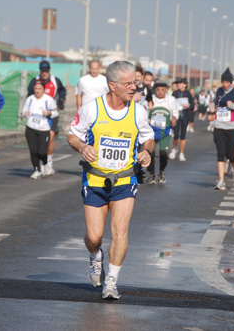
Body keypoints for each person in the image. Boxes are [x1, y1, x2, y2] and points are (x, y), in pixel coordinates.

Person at [67, 60, 154, 300]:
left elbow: (148, 138)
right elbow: (72, 135)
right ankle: (96, 257)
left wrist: (146, 151)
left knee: (120, 230)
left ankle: (112, 282)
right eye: (128, 84)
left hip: (125, 179)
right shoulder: (91, 109)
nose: (133, 88)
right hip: (95, 180)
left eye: (135, 83)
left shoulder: (138, 111)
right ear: (112, 85)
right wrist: (82, 146)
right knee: (94, 236)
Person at [210, 68, 234, 190]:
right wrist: (212, 107)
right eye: (223, 82)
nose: (225, 85)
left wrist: (232, 106)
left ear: (231, 83)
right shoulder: (218, 91)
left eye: (227, 82)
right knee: (220, 153)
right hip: (219, 126)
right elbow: (215, 103)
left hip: (232, 127)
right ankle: (221, 180)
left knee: (230, 154)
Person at [27, 60, 66, 173]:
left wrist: (61, 100)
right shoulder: (35, 81)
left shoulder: (55, 80)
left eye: (46, 70)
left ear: (49, 70)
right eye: (42, 71)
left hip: (52, 114)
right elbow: (29, 94)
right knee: (39, 142)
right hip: (38, 116)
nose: (44, 73)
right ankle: (40, 163)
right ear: (40, 70)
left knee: (50, 138)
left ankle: (48, 163)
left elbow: (62, 91)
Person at [23, 79, 59, 179]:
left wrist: (49, 113)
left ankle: (45, 163)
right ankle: (36, 170)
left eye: (40, 89)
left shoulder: (49, 100)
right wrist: (24, 114)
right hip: (31, 127)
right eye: (36, 89)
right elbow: (24, 111)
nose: (37, 91)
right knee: (33, 151)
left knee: (42, 152)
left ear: (43, 89)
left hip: (44, 129)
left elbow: (56, 113)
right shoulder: (30, 99)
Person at [147, 82, 178, 184]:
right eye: (158, 90)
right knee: (151, 153)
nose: (160, 92)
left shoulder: (171, 99)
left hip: (165, 131)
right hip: (152, 131)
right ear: (155, 90)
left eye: (162, 90)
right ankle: (152, 174)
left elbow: (175, 111)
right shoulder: (151, 99)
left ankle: (161, 171)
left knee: (163, 153)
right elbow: (145, 113)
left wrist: (174, 118)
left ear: (166, 90)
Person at [170, 78, 194, 162]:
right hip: (176, 115)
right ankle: (174, 148)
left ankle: (181, 153)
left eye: (180, 83)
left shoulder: (188, 94)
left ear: (185, 84)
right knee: (176, 135)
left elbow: (192, 106)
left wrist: (188, 106)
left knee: (183, 135)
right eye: (178, 83)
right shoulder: (175, 93)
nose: (178, 85)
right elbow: (171, 103)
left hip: (185, 115)